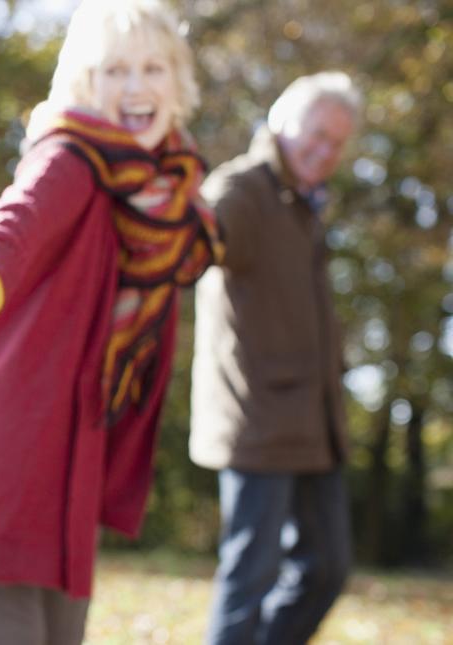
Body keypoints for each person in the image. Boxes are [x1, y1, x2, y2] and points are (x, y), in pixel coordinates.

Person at [0, 1, 223, 643]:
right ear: (85, 84)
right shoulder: (72, 161)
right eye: (114, 71)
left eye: (152, 68)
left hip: (68, 456)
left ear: (177, 82)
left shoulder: (165, 193)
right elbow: (14, 224)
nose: (136, 88)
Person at [189, 71, 362, 644]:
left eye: (337, 143)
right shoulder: (243, 189)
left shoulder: (306, 204)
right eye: (317, 134)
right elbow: (199, 240)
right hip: (258, 420)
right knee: (250, 578)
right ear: (282, 121)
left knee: (328, 568)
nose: (324, 150)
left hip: (316, 423)